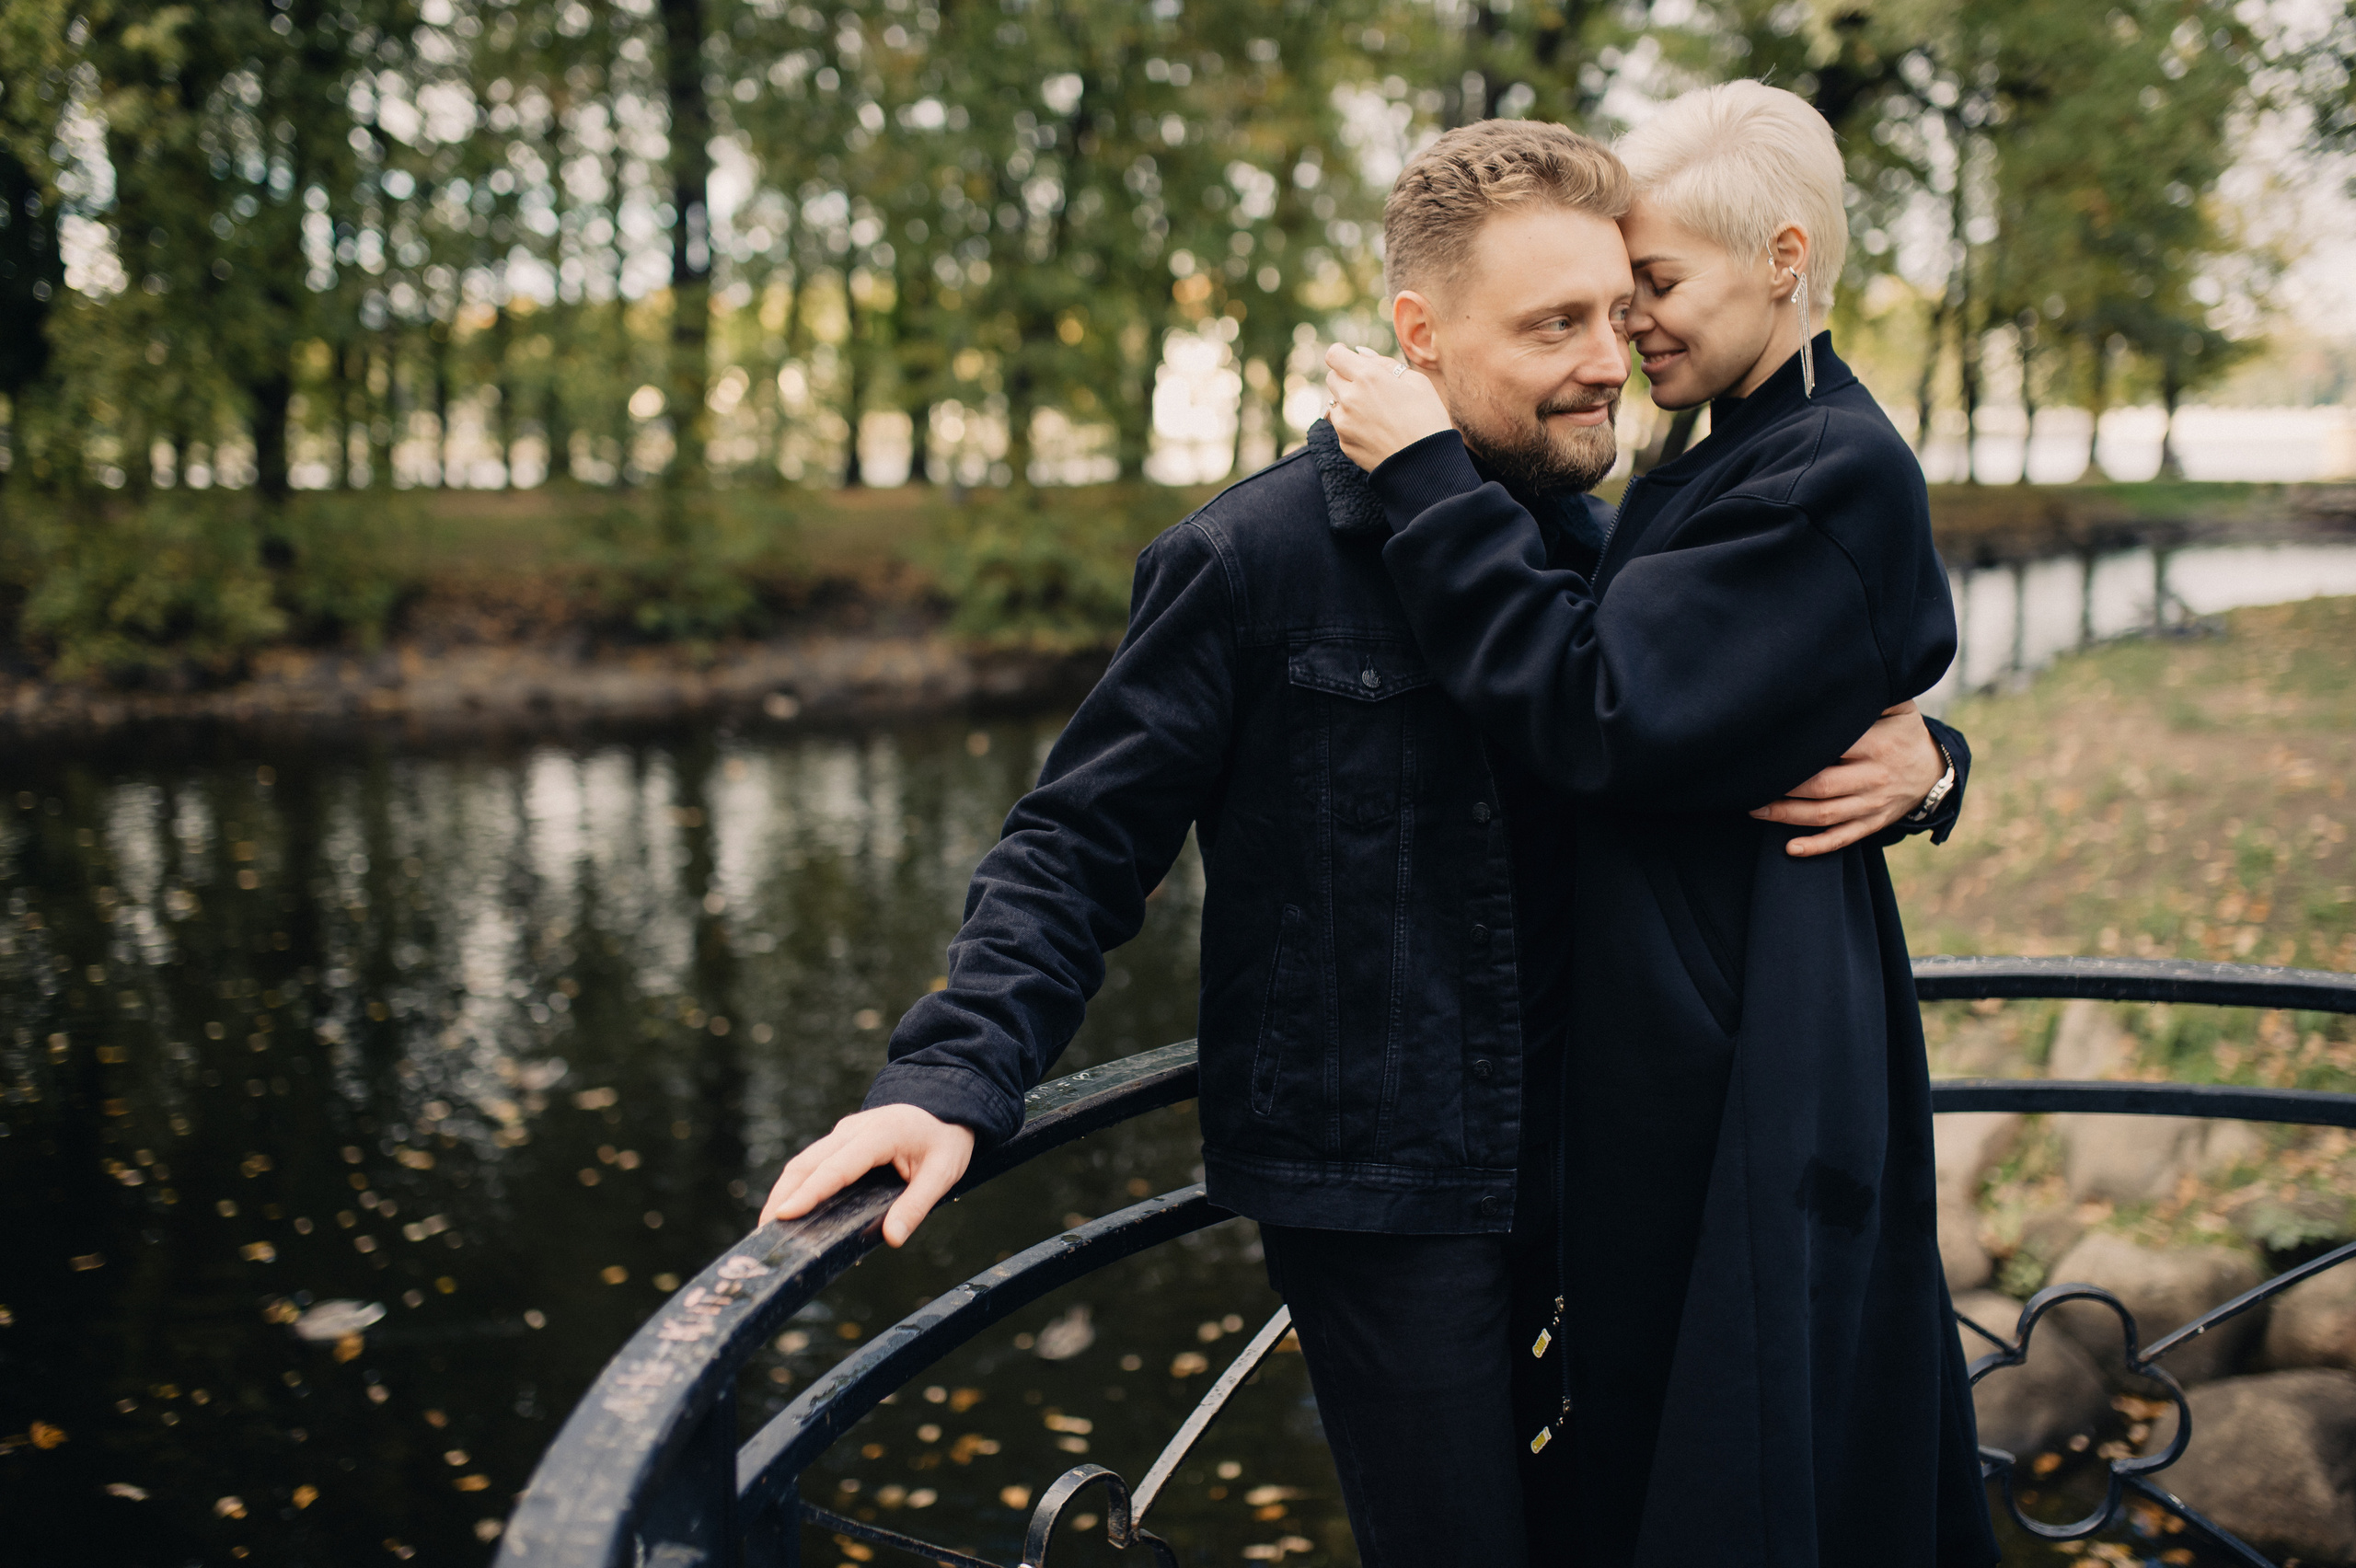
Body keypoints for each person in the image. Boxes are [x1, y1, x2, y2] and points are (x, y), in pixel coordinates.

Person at [760, 117, 1971, 1566]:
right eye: (1557, 322)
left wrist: (1933, 763)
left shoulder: (1600, 549)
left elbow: (1710, 731)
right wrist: (952, 1076)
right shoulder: (1248, 560)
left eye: (1622, 306)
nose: (1613, 353)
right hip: (1387, 1200)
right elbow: (1078, 846)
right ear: (1422, 335)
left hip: (1607, 1181)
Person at [1321, 84, 1998, 1565]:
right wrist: (1934, 757)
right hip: (1698, 991)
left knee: (1741, 1414)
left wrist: (1430, 477)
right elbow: (1748, 680)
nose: (1630, 331)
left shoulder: (1827, 466)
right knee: (1672, 1401)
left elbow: (1601, 713)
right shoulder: (1731, 441)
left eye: (1658, 288)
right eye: (1617, 296)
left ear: (1785, 257)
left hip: (1752, 1020)